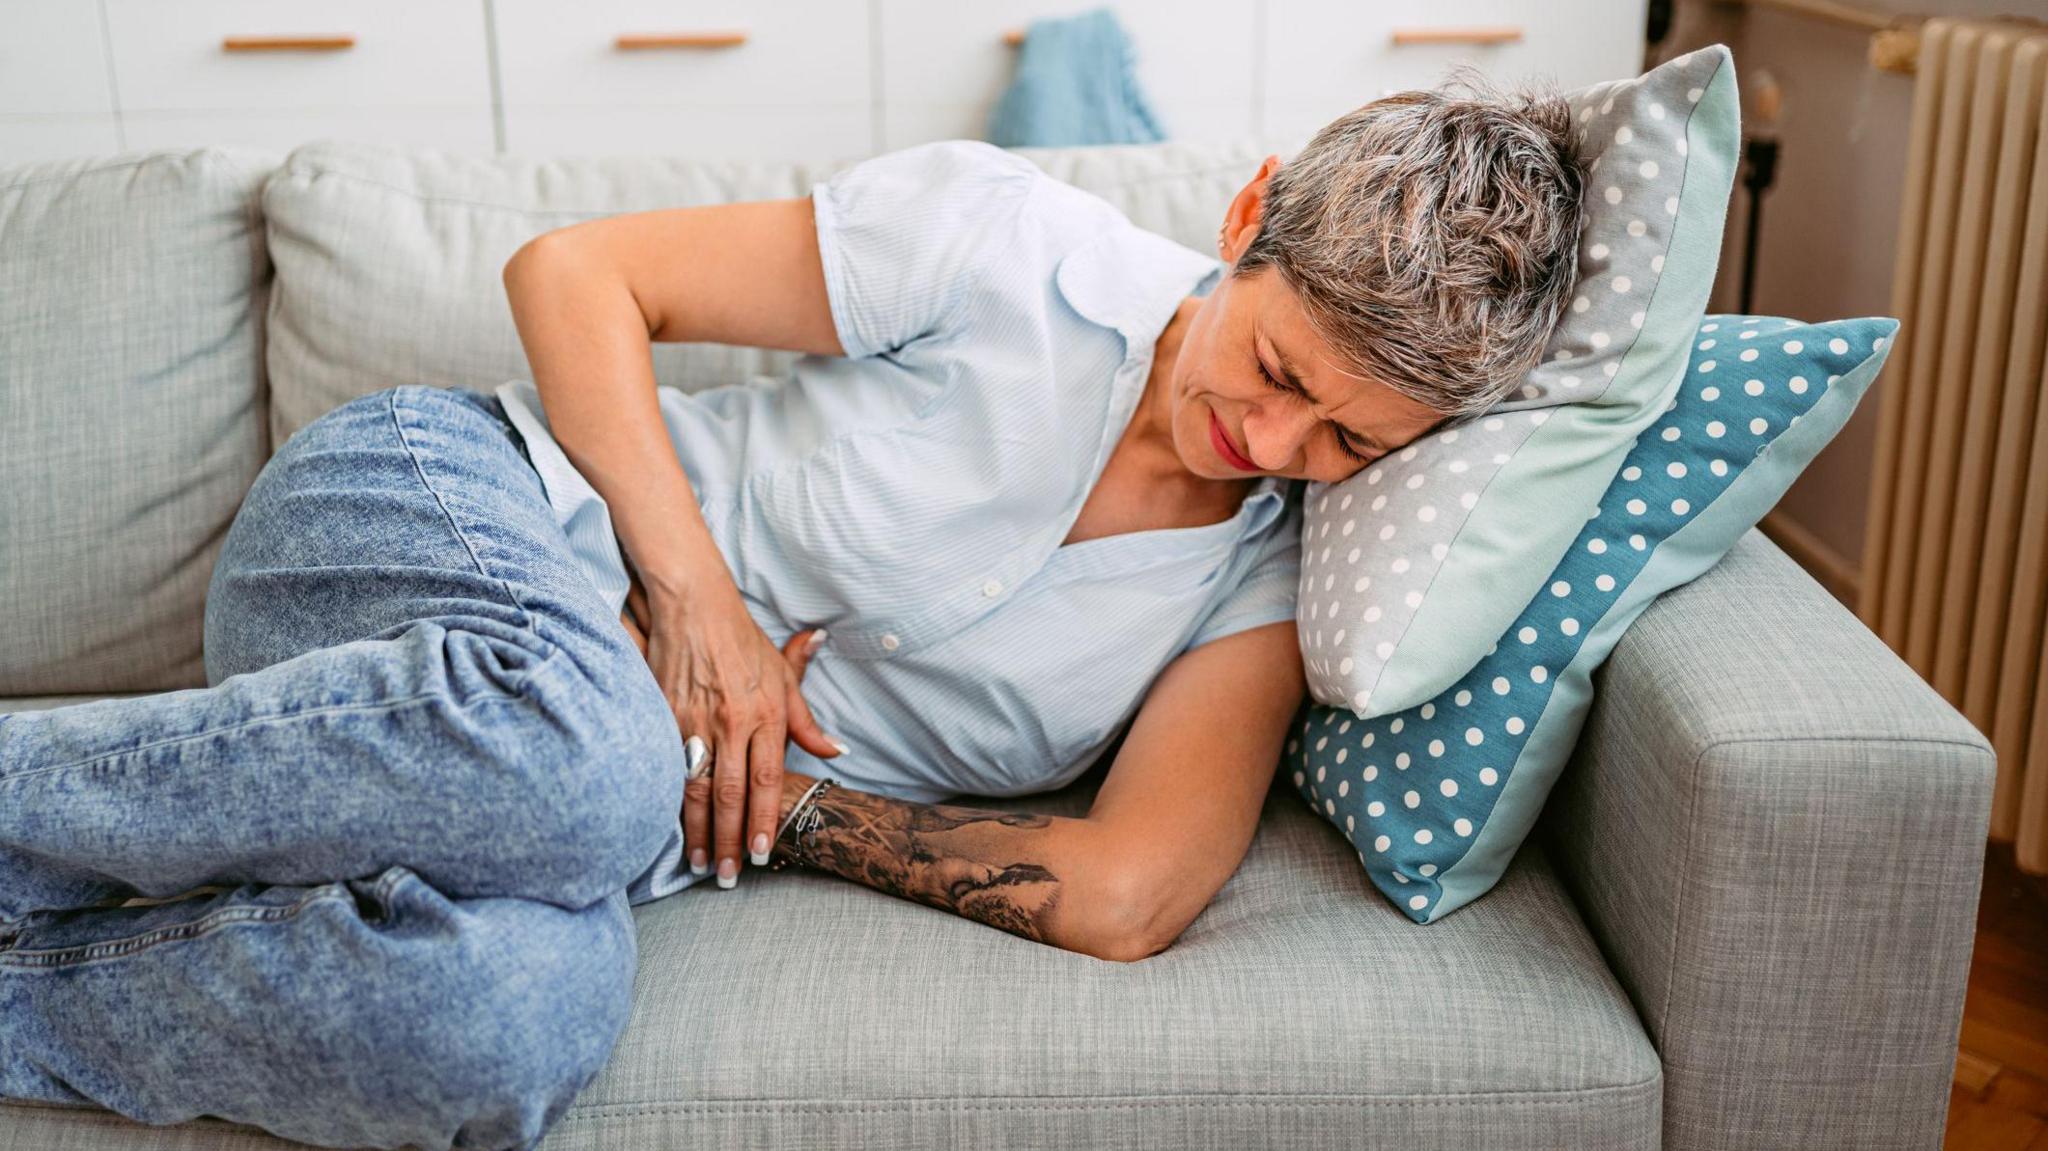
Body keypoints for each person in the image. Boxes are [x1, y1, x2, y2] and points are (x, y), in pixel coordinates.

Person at [0, 72, 1585, 1151]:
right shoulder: (1009, 247)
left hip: (574, 820)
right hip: (439, 513)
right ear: (1250, 219)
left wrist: (763, 796)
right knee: (584, 760)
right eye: (1285, 373)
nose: (1280, 449)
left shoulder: (1259, 581)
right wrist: (691, 611)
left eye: (1353, 444)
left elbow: (1125, 895)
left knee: (499, 1034)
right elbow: (576, 276)